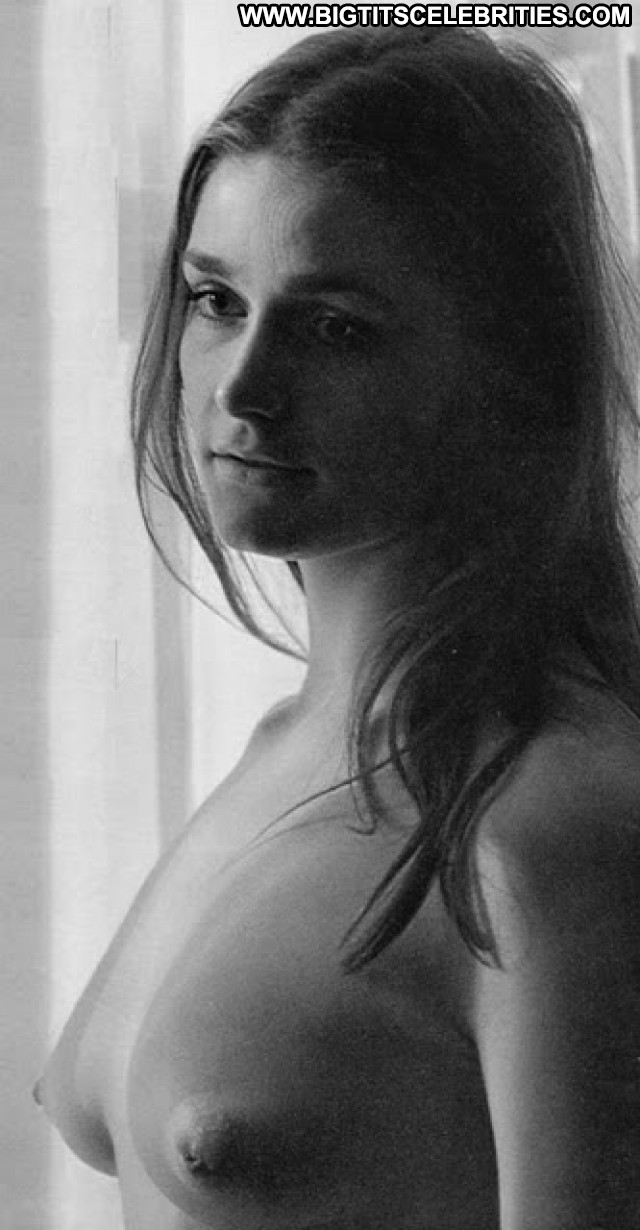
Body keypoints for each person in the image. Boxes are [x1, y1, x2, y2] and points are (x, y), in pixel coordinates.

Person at [36, 25, 640, 1230]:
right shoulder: (285, 750)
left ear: (511, 368)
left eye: (337, 328)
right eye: (216, 300)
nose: (240, 386)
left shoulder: (550, 834)